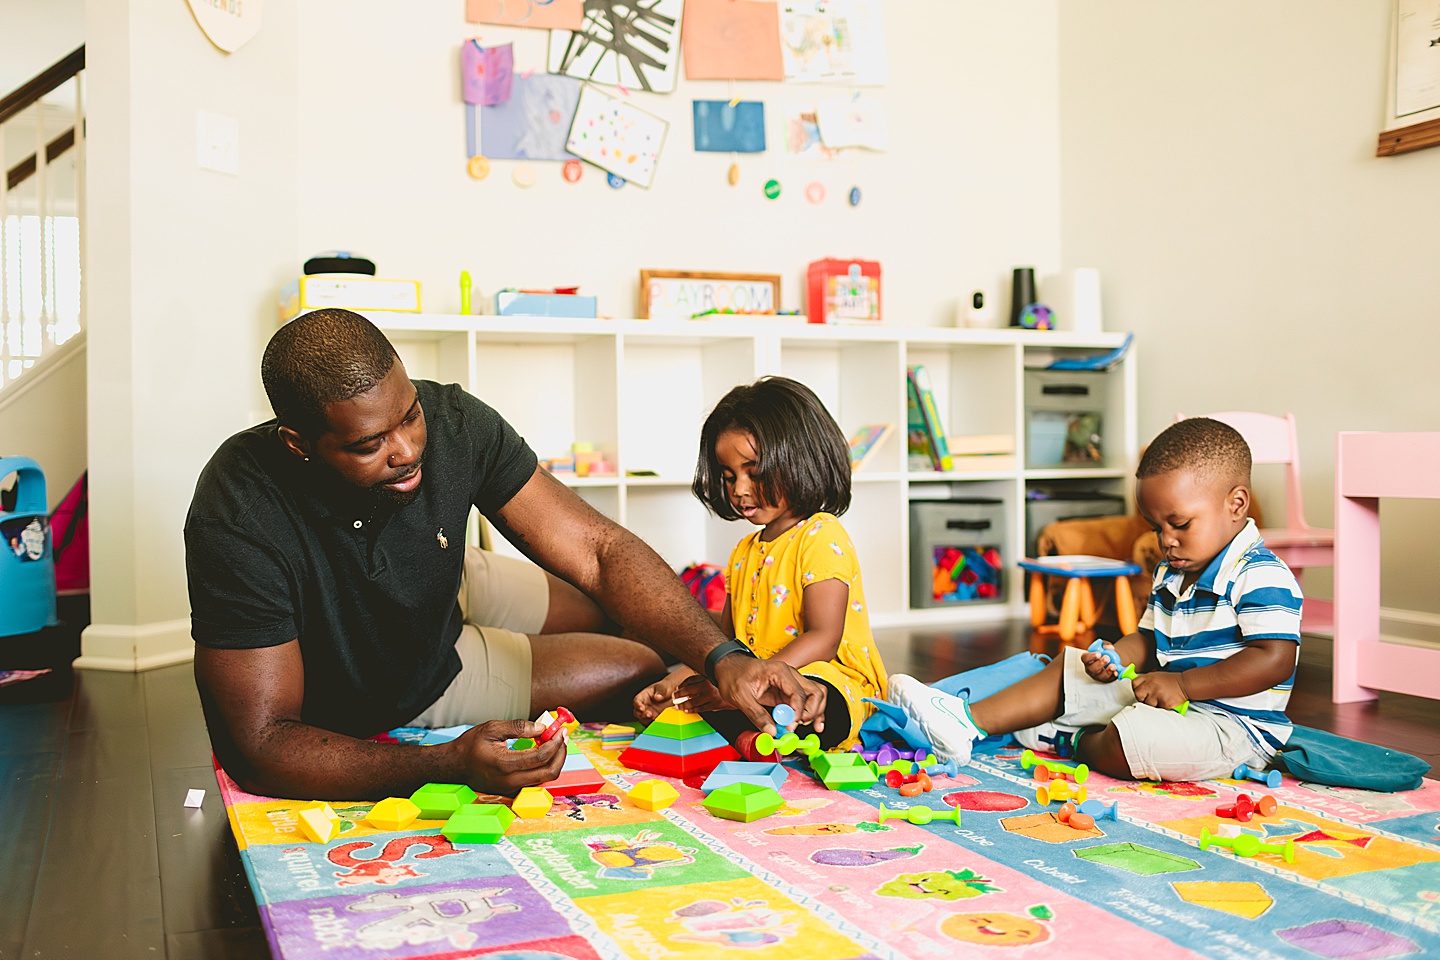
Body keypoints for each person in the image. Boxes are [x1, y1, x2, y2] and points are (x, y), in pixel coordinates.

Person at [185, 309, 826, 801]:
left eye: (409, 416)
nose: (407, 449)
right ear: (299, 443)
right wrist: (446, 764)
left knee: (603, 603)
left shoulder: (454, 420)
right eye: (370, 444)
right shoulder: (238, 510)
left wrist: (724, 657)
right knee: (634, 663)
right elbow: (260, 743)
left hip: (446, 578)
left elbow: (598, 552)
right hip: (405, 671)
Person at [887, 417, 1303, 781]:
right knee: (1068, 667)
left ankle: (1071, 737)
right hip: (1173, 700)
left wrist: (1183, 684)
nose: (1166, 541)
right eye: (1156, 528)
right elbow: (1147, 638)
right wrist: (1115, 659)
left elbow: (1274, 658)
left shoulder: (1259, 573)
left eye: (1179, 524)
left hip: (1234, 728)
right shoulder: (1172, 571)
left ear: (1236, 503)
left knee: (1126, 742)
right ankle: (962, 724)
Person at [633, 377, 887, 751]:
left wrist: (751, 682)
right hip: (753, 678)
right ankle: (754, 729)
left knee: (819, 694)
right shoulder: (744, 551)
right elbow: (726, 646)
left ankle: (760, 721)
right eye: (729, 475)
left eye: (754, 470)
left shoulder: (822, 535)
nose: (738, 489)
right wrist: (679, 681)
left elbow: (824, 638)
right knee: (697, 697)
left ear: (800, 458)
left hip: (830, 676)